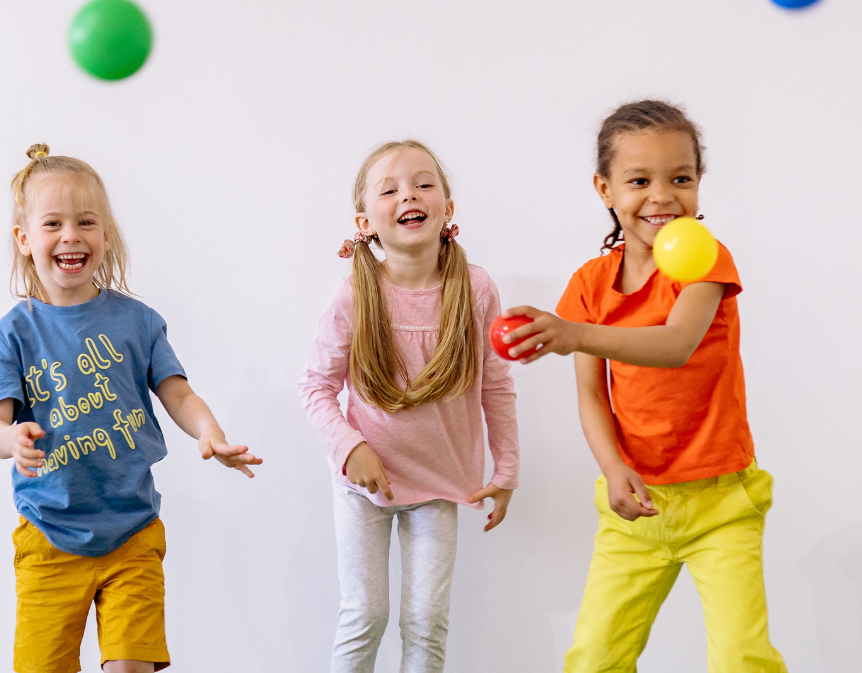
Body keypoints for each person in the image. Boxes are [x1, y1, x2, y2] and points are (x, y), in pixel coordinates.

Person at [499, 100, 787, 672]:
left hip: (721, 503)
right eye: (639, 180)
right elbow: (591, 396)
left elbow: (675, 345)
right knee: (593, 658)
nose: (661, 196)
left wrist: (575, 333)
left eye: (680, 178)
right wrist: (611, 470)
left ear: (699, 182)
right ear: (605, 189)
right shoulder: (589, 284)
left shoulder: (706, 261)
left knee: (740, 658)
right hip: (634, 506)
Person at [0, 144, 261, 673]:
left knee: (132, 666)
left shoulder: (138, 322)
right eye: (53, 224)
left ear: (105, 236)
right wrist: (9, 441)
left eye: (86, 222)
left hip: (131, 533)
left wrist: (209, 431)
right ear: (24, 240)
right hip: (48, 535)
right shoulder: (13, 334)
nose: (70, 236)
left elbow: (177, 392)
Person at [299, 140, 519, 673]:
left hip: (440, 481)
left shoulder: (475, 288)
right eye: (390, 189)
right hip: (363, 483)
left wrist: (507, 469)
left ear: (447, 207)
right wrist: (352, 449)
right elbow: (315, 385)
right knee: (365, 616)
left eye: (424, 184)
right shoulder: (353, 293)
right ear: (364, 221)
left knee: (426, 622)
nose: (409, 196)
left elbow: (496, 382)